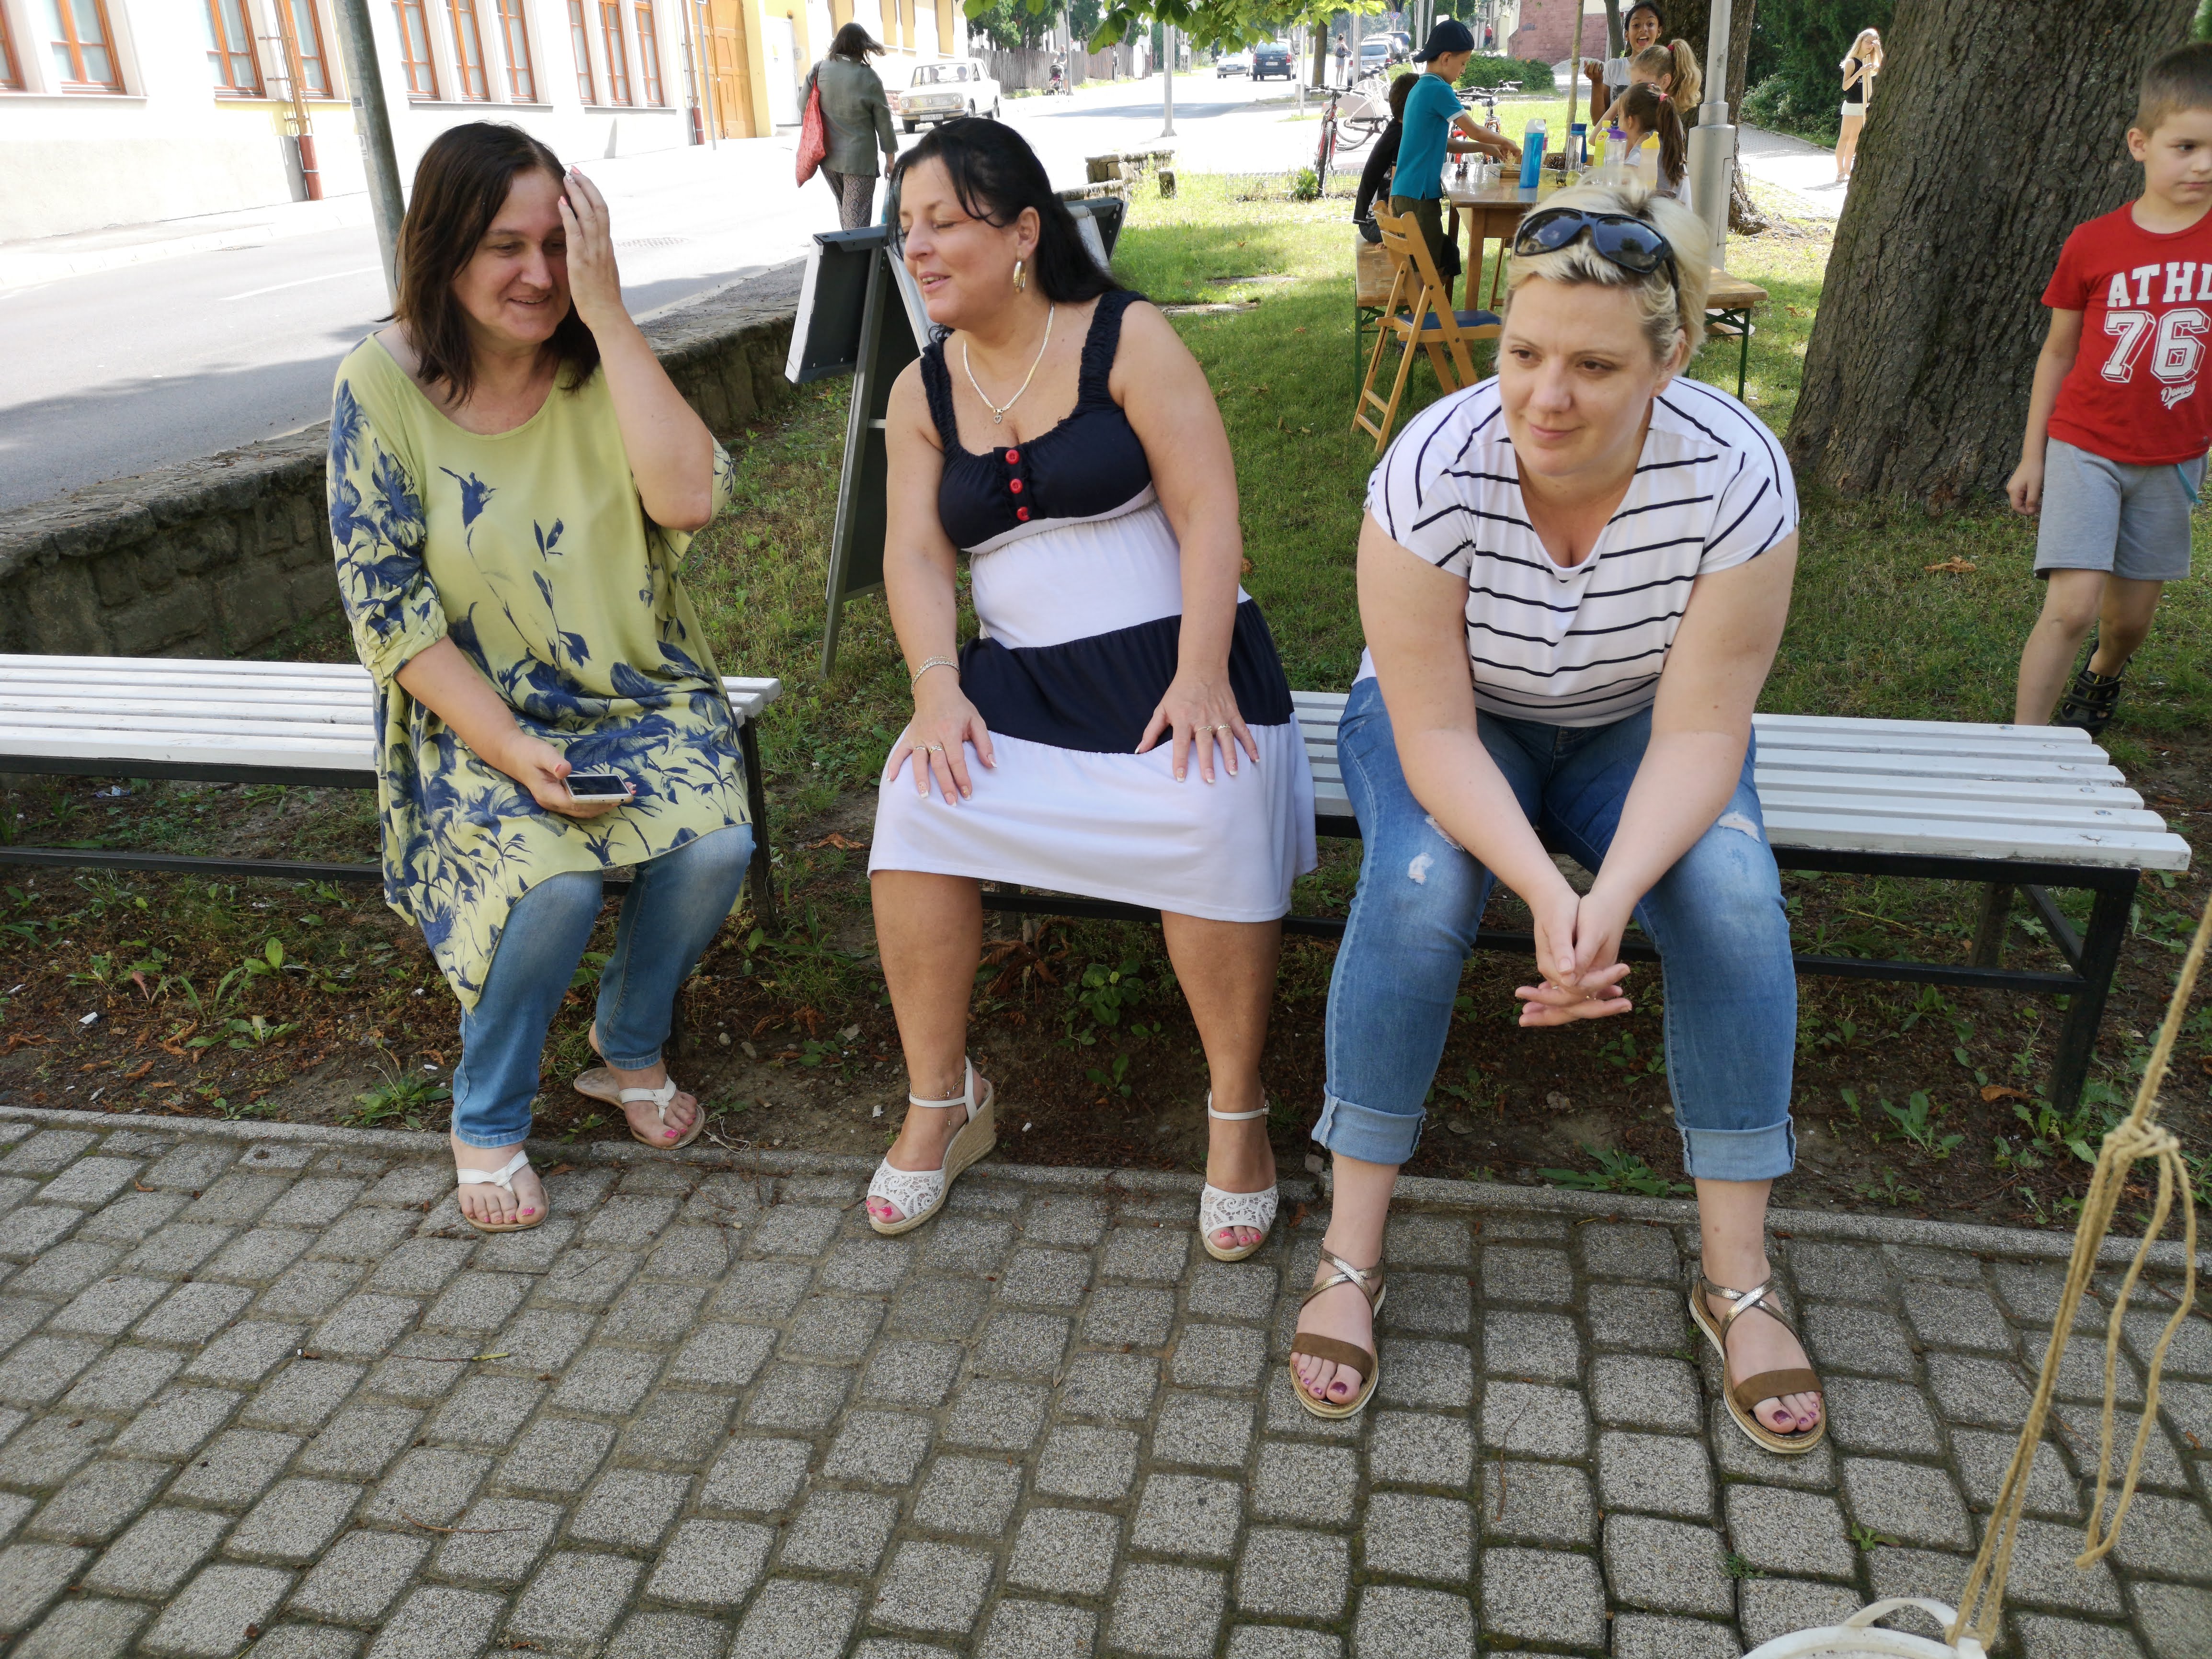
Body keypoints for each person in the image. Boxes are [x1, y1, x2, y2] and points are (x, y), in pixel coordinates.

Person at [1292, 180, 1826, 1455]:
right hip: (1456, 719)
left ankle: (1737, 1280)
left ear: (1668, 361)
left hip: (1640, 722)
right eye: (1523, 353)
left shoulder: (1737, 475)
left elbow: (1700, 733)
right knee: (1419, 889)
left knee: (1732, 896)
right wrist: (1544, 889)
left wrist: (1613, 893)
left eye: (1594, 366)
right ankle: (1349, 1259)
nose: (1545, 396)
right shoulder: (1429, 469)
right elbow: (1430, 732)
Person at [864, 120, 1318, 1259]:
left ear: (1023, 231)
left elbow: (1209, 510)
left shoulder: (1125, 334)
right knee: (914, 801)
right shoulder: (920, 389)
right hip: (1018, 680)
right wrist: (934, 687)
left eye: (942, 222)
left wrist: (1201, 672)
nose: (917, 248)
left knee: (1206, 803)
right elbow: (912, 555)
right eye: (906, 226)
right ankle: (941, 1098)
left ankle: (1236, 1109)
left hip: (1178, 660)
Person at [326, 124, 756, 1233]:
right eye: (504, 247)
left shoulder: (597, 359)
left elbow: (692, 498)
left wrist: (609, 315)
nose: (537, 274)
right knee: (549, 885)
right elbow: (391, 614)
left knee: (715, 844)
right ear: (442, 251)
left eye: (559, 246)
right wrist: (511, 747)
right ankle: (487, 1111)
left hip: (633, 692)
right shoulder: (380, 385)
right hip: (473, 716)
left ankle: (626, 1043)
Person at [2008, 41, 2212, 736]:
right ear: (2139, 144)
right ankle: (2024, 747)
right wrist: (2032, 455)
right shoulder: (2093, 243)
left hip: (2171, 457)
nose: (2203, 165)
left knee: (2127, 622)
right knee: (2071, 607)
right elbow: (2057, 352)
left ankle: (2103, 672)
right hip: (2085, 444)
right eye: (2185, 146)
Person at [1389, 20, 1521, 286]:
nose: (1463, 70)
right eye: (1463, 63)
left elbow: (1444, 144)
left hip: (1406, 192)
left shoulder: (1420, 88)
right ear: (1446, 58)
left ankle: (1424, 310)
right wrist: (1508, 142)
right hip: (1419, 196)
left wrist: (1485, 147)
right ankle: (1422, 312)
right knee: (1428, 271)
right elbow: (1474, 129)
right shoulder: (1439, 89)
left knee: (1437, 259)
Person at [803, 23, 898, 231]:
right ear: (862, 46)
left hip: (829, 160)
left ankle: (851, 250)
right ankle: (857, 253)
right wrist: (890, 160)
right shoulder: (869, 77)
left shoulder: (819, 70)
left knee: (847, 216)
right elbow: (884, 123)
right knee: (856, 224)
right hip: (859, 162)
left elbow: (804, 107)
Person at [1353, 72, 1423, 232]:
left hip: (1379, 219)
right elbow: (1394, 186)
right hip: (1375, 223)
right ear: (1416, 104)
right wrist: (1392, 231)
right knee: (1425, 239)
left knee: (1437, 239)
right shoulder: (1401, 136)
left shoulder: (1398, 129)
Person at [1588, 0, 1664, 124]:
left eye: (1650, 24)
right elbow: (1598, 121)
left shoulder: (1665, 70)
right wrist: (1597, 83)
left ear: (1659, 31)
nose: (1643, 29)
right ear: (1627, 35)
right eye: (1636, 25)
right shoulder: (1614, 67)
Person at [1601, 39, 1701, 128]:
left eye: (1639, 83)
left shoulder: (1655, 124)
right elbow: (1596, 138)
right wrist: (1620, 101)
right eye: (1632, 85)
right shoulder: (1644, 117)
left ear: (1665, 81)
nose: (1632, 90)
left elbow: (1597, 137)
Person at [1617, 81, 1688, 202]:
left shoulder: (1645, 149)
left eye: (1620, 116)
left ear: (1630, 121)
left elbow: (1623, 186)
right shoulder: (1664, 141)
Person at [1835, 28, 1881, 182]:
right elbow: (1845, 87)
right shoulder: (1852, 62)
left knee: (1854, 139)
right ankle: (1840, 171)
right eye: (1867, 42)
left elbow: (1884, 68)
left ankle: (1848, 169)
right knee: (1844, 138)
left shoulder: (1871, 62)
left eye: (1873, 43)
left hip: (1864, 105)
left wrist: (1879, 50)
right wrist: (1859, 73)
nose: (1870, 46)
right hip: (1851, 105)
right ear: (1860, 42)